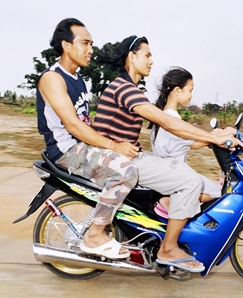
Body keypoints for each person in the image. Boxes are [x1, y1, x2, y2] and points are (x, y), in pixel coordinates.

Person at [92, 35, 243, 272]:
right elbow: (170, 123)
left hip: (129, 157)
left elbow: (178, 131)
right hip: (118, 160)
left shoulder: (129, 88)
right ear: (132, 57)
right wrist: (212, 136)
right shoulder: (125, 88)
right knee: (191, 182)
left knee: (190, 180)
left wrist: (211, 137)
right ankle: (169, 247)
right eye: (147, 55)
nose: (151, 61)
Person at [36, 18, 140, 260]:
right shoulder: (52, 78)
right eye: (85, 43)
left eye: (92, 44)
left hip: (81, 146)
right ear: (66, 46)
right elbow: (72, 124)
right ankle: (94, 236)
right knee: (125, 171)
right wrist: (114, 147)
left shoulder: (78, 79)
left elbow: (85, 123)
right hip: (67, 152)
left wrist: (115, 142)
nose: (91, 49)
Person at [149, 67, 235, 218]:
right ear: (177, 90)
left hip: (168, 169)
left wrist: (213, 136)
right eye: (190, 90)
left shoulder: (162, 115)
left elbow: (192, 143)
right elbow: (194, 141)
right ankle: (170, 201)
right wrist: (216, 136)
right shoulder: (172, 118)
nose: (191, 96)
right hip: (174, 172)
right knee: (216, 191)